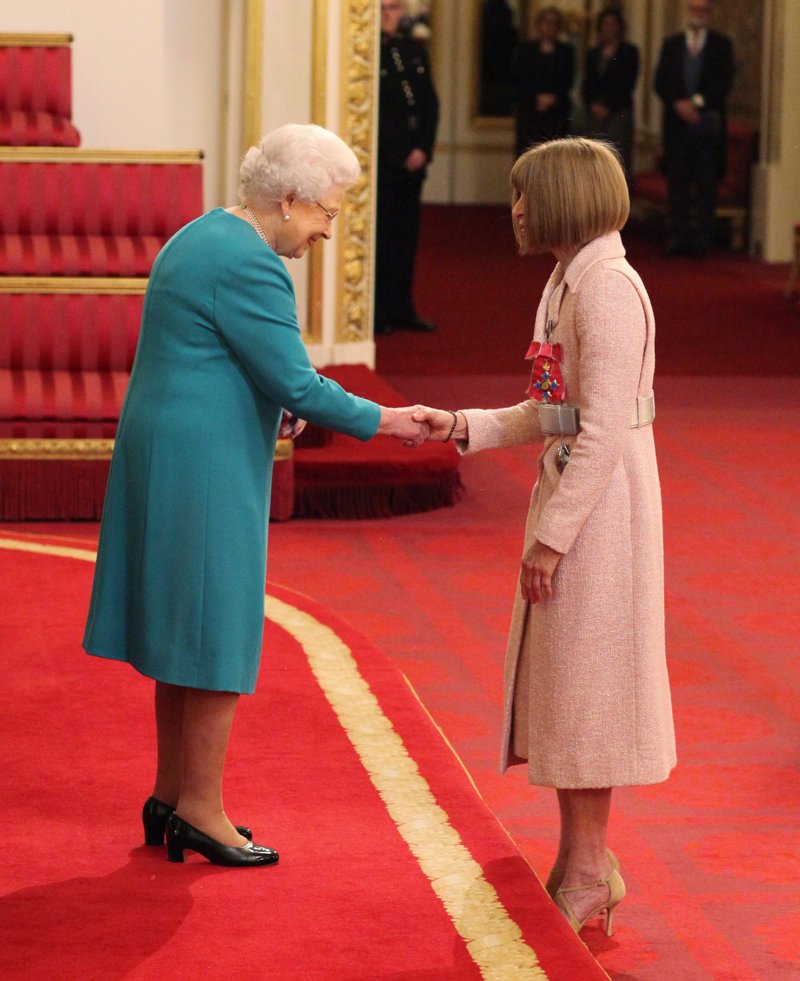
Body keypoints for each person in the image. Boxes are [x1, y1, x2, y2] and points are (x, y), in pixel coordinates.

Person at [82, 123, 429, 868]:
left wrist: (280, 401)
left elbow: (225, 355)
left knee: (181, 629)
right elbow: (296, 380)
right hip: (205, 460)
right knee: (215, 630)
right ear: (290, 197)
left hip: (168, 446)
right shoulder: (253, 264)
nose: (327, 231)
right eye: (327, 213)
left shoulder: (203, 234)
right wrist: (390, 419)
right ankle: (201, 811)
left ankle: (171, 795)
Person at [413, 138, 676, 935]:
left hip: (603, 507)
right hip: (577, 496)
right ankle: (582, 860)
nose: (516, 209)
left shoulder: (608, 289)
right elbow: (549, 409)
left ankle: (590, 871)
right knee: (568, 684)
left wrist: (553, 538)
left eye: (525, 194)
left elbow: (602, 432)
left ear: (564, 198)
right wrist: (461, 424)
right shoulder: (567, 280)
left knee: (589, 686)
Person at [375, 0, 440, 335]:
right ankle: (378, 311)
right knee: (382, 237)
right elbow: (377, 113)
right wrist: (400, 152)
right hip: (386, 162)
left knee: (406, 238)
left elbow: (429, 103)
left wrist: (423, 149)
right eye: (383, 8)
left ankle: (402, 307)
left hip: (414, 162)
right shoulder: (369, 54)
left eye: (394, 8)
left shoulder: (414, 50)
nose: (388, 14)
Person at [654, 0, 734, 257]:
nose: (698, 14)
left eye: (702, 9)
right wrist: (678, 103)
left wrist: (697, 103)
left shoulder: (721, 45)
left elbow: (725, 83)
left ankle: (702, 239)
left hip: (706, 126)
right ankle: (678, 236)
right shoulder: (672, 44)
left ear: (709, 12)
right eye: (694, 9)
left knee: (706, 183)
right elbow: (660, 82)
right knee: (677, 182)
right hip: (677, 127)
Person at [581, 7, 639, 184]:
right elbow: (587, 83)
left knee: (617, 161)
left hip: (618, 113)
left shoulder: (629, 52)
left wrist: (609, 107)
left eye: (612, 24)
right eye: (605, 24)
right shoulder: (593, 54)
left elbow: (628, 84)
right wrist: (592, 105)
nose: (608, 28)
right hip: (594, 115)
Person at [511, 5, 575, 156]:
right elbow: (519, 78)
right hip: (530, 110)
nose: (549, 27)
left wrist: (553, 98)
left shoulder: (566, 51)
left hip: (557, 112)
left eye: (554, 23)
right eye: (546, 22)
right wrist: (537, 97)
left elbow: (567, 79)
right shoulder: (525, 50)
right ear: (539, 24)